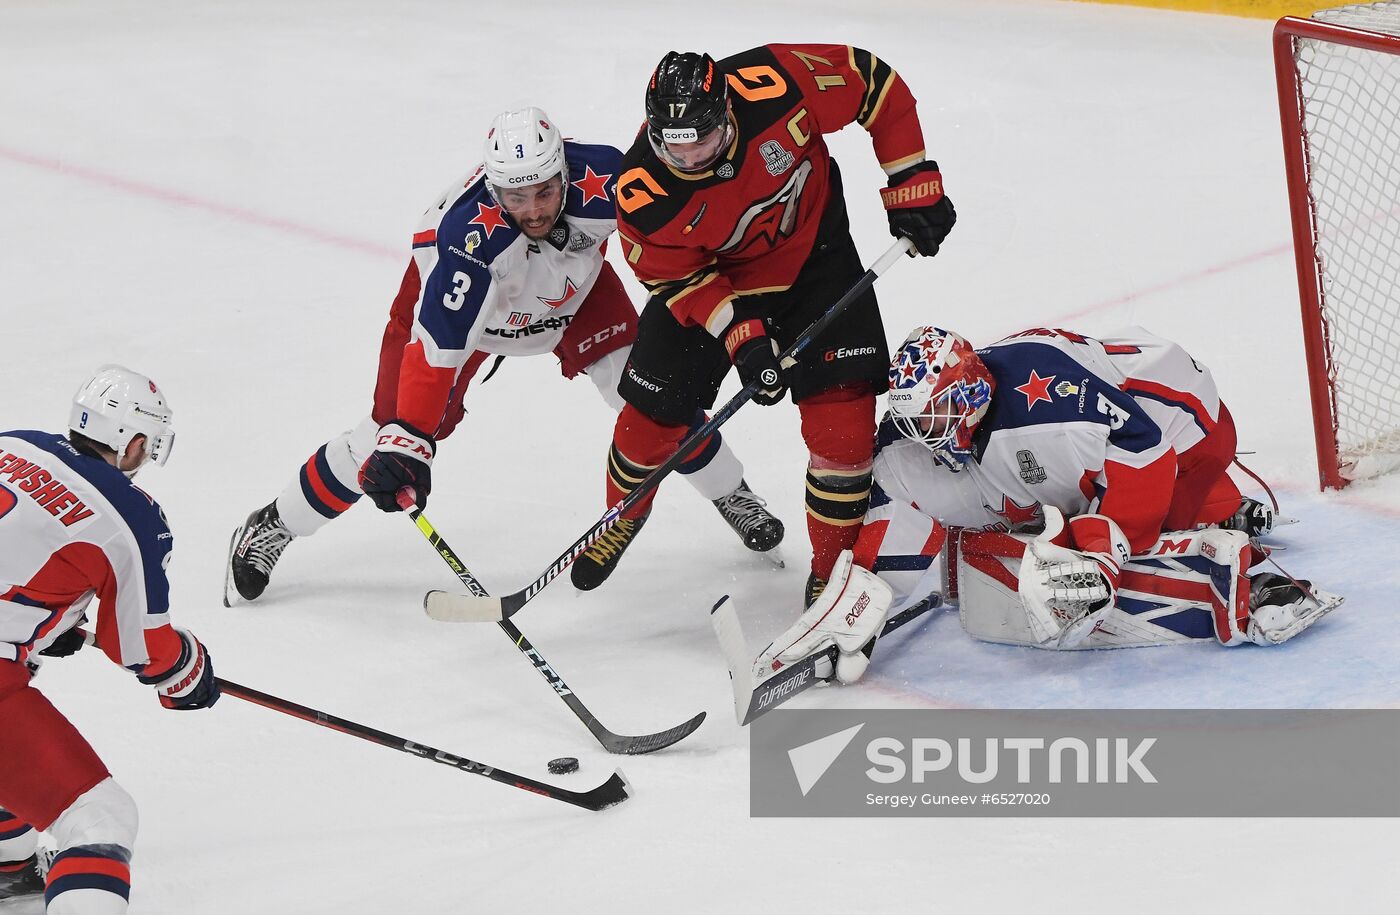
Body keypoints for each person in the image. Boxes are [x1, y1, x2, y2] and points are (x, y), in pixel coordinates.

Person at [224, 106, 783, 605]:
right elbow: (439, 348)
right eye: (516, 197)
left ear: (564, 172)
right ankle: (276, 524)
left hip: (574, 294)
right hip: (470, 323)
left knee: (653, 396)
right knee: (382, 441)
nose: (534, 211)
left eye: (545, 192)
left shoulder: (605, 179)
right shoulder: (467, 243)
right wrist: (409, 439)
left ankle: (732, 493)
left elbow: (681, 208)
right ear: (494, 189)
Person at [569, 45, 956, 602]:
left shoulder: (777, 83)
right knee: (647, 423)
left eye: (701, 141)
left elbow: (874, 84)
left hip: (816, 261)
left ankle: (832, 576)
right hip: (718, 282)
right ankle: (622, 514)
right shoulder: (642, 192)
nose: (688, 158)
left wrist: (911, 180)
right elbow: (680, 281)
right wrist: (744, 339)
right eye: (672, 145)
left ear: (727, 112)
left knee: (843, 435)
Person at [753, 324, 1339, 687]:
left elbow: (1146, 452)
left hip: (1188, 432)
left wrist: (1105, 552)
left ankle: (1247, 580)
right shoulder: (956, 417)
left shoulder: (1051, 413)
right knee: (1029, 515)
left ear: (968, 394)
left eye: (935, 417)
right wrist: (858, 600)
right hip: (1112, 436)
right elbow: (898, 497)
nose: (926, 434)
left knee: (1085, 561)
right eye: (917, 421)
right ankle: (1216, 509)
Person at [0, 366, 220, 912]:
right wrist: (187, 669)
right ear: (135, 441)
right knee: (101, 822)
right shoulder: (131, 514)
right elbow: (141, 647)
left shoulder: (14, 443)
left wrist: (46, 621)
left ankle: (8, 863)